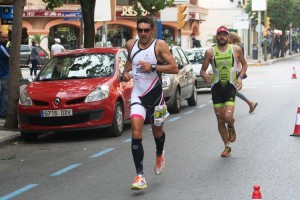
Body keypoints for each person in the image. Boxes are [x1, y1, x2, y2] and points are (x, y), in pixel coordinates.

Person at [122, 16, 178, 190]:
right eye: (140, 30)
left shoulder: (159, 46)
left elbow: (174, 67)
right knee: (136, 133)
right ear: (137, 31)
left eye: (147, 30)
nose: (143, 33)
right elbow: (129, 64)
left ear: (152, 30)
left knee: (157, 133)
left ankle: (160, 154)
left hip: (156, 97)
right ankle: (140, 175)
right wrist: (125, 73)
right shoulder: (131, 45)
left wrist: (153, 67)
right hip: (138, 95)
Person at [200, 26, 248, 157]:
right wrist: (204, 76)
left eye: (224, 34)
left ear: (228, 37)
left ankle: (231, 125)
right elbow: (202, 70)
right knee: (220, 120)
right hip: (216, 89)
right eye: (219, 35)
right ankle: (227, 146)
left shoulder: (236, 50)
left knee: (227, 117)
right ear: (217, 37)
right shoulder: (210, 52)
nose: (221, 37)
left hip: (230, 88)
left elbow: (244, 64)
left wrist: (240, 77)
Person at [228, 32, 258, 113]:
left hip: (235, 72)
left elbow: (242, 62)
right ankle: (250, 103)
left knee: (232, 91)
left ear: (231, 39)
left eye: (228, 37)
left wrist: (239, 77)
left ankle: (250, 103)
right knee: (232, 91)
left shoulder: (236, 48)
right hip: (233, 72)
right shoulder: (229, 47)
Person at [0, 31, 10, 119]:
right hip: (4, 74)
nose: (5, 39)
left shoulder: (4, 47)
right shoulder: (2, 47)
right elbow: (9, 56)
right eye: (3, 37)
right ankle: (3, 112)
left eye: (6, 37)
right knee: (5, 94)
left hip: (5, 73)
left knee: (3, 93)